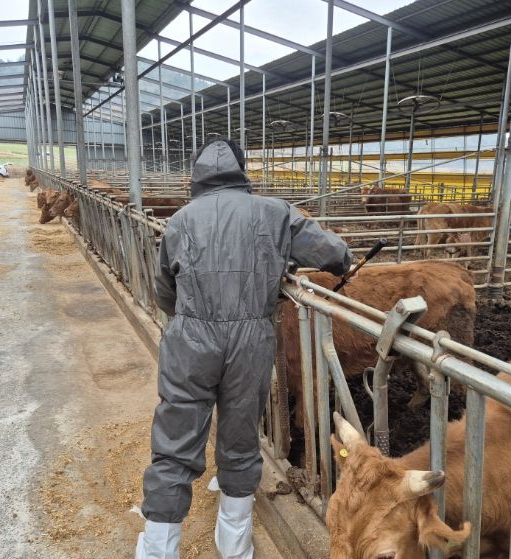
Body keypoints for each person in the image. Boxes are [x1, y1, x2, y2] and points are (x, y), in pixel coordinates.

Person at [135, 138, 352, 559]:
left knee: (175, 439)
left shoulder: (180, 220)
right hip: (250, 340)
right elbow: (330, 251)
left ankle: (159, 549)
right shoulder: (274, 212)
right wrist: (343, 261)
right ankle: (234, 545)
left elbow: (163, 289)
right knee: (240, 436)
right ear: (241, 172)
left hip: (191, 338)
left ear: (197, 176)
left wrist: (189, 320)